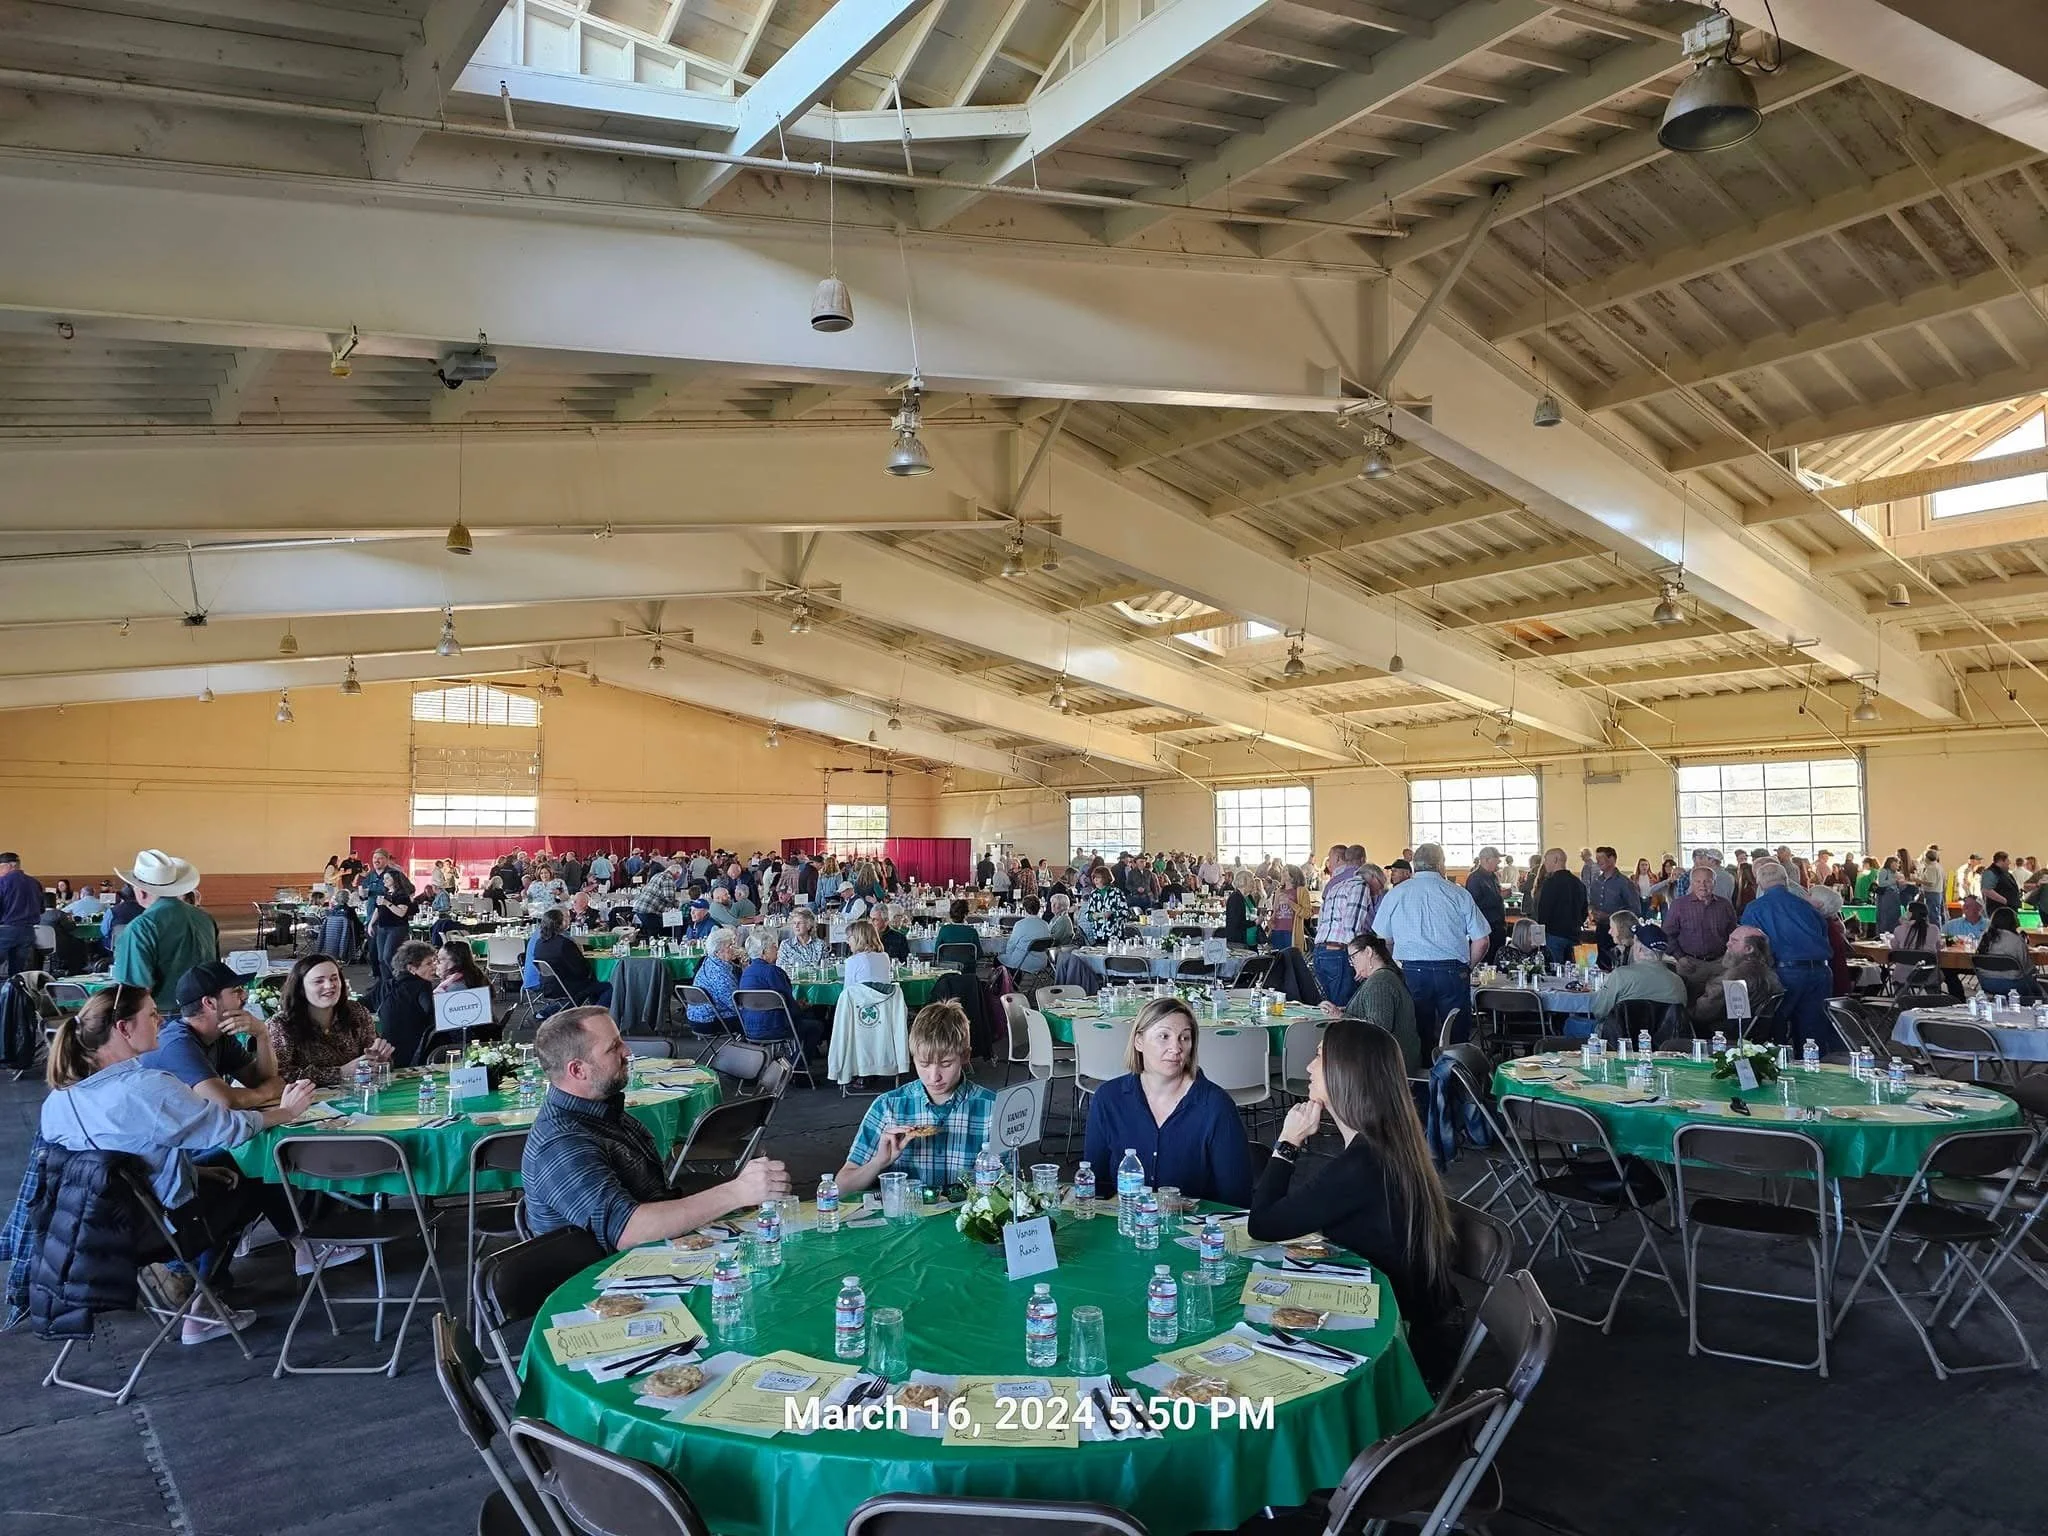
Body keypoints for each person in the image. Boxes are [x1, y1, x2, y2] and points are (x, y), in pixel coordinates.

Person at [42, 985, 322, 1342]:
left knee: (223, 1169)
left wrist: (198, 1170)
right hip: (157, 1227)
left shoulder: (59, 1100)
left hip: (88, 1231)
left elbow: (120, 1163)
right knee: (256, 1173)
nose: (162, 1021)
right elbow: (226, 1127)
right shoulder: (145, 1087)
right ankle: (204, 1308)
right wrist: (287, 1112)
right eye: (152, 1015)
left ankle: (295, 1252)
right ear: (124, 1028)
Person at [1249, 1019, 1461, 1387]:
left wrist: (1287, 1143)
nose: (1309, 1067)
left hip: (1394, 1348)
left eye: (1318, 1056)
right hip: (1406, 1313)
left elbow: (1262, 1225)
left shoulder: (1364, 1163)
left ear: (1345, 1073)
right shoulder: (1389, 1142)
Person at [521, 1006, 789, 1250]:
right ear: (578, 1070)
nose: (627, 1052)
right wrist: (735, 1192)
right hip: (603, 1282)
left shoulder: (602, 1111)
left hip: (650, 1256)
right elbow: (627, 1230)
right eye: (613, 1047)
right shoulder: (561, 1143)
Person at [1081, 997, 1253, 1207]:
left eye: (1185, 1038)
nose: (1176, 1047)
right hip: (1125, 1224)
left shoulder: (1216, 1106)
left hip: (1195, 1229)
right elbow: (1094, 1184)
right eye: (1164, 1036)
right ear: (1139, 1041)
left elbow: (1236, 1200)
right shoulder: (1108, 1098)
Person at [836, 1001, 995, 1196]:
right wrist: (879, 1162)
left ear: (965, 1056)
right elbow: (842, 1187)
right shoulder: (888, 1107)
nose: (934, 1076)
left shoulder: (992, 1109)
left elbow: (1009, 1188)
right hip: (907, 1221)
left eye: (946, 1064)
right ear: (913, 1058)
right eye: (924, 1064)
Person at [1370, 844, 1489, 1045]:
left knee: (1417, 1033)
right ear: (1441, 864)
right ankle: (1454, 1073)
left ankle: (1423, 1073)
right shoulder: (1458, 894)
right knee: (1455, 1034)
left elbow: (1383, 939)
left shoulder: (1397, 894)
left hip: (1412, 972)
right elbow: (1482, 940)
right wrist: (1468, 967)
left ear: (1414, 866)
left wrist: (1395, 966)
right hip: (1452, 971)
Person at [1742, 860, 1835, 1050]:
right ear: (1786, 880)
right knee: (1814, 1034)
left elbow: (1750, 945)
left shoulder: (1755, 908)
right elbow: (1824, 935)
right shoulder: (1808, 907)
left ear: (1759, 884)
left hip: (1784, 972)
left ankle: (1781, 1068)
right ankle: (1813, 1072)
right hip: (1821, 972)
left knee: (1775, 1027)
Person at [108, 850, 219, 997]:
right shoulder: (205, 918)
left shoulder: (141, 927)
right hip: (208, 1009)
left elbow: (136, 991)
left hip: (163, 1015)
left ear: (142, 892)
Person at [266, 954, 388, 1086]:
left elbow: (371, 1062)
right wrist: (340, 1073)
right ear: (301, 988)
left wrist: (378, 1060)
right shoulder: (282, 1024)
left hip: (355, 1096)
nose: (329, 985)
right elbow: (280, 1075)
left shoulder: (357, 1013)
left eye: (334, 979)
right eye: (319, 981)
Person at [1320, 933, 1421, 1070]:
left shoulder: (1380, 982)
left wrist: (1340, 1017)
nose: (1352, 964)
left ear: (1368, 952)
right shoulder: (1384, 977)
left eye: (1353, 957)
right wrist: (1342, 1010)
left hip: (1387, 1065)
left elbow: (1377, 1028)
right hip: (1394, 1059)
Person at [1588, 915, 1687, 1036]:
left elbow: (1599, 1011)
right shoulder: (1677, 982)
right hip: (1664, 1045)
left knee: (1576, 1025)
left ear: (1639, 948)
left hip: (1620, 1044)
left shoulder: (1620, 976)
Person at [737, 928, 822, 1059]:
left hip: (749, 1027)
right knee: (816, 1025)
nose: (776, 949)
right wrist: (801, 1006)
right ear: (764, 952)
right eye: (773, 946)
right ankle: (797, 1066)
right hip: (776, 1026)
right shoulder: (774, 972)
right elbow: (790, 1008)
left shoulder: (746, 972)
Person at [1688, 926, 1783, 1032]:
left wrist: (1683, 1010)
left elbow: (1703, 1012)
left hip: (1723, 1034)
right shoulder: (1767, 971)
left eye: (1734, 941)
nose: (1727, 944)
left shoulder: (1737, 977)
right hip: (1752, 1034)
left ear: (1749, 949)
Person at [1311, 846, 1369, 1008]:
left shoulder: (1334, 886)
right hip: (1339, 953)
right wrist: (1357, 961)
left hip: (1320, 951)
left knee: (1330, 1008)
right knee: (1344, 1010)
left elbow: (1321, 921)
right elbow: (1352, 927)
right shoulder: (1360, 886)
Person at [376, 940, 441, 1068]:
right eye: (428, 963)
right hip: (415, 1056)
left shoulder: (387, 985)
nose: (434, 967)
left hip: (388, 1055)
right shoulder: (422, 985)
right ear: (411, 968)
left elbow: (363, 1003)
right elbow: (433, 1016)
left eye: (434, 962)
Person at [530, 909, 611, 1010]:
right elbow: (581, 970)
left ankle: (553, 1011)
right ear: (561, 923)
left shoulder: (539, 942)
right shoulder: (564, 943)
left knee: (592, 986)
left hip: (547, 985)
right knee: (609, 987)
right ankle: (595, 1014)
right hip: (567, 987)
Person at [360, 848, 417, 987]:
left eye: (379, 858)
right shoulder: (371, 877)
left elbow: (402, 910)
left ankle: (399, 980)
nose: (376, 861)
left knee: (388, 956)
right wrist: (370, 923)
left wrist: (389, 903)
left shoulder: (399, 886)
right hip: (380, 924)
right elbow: (377, 908)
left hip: (396, 926)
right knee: (378, 956)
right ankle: (385, 983)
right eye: (374, 859)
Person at [1664, 865, 1736, 962]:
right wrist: (1680, 957)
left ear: (1714, 883)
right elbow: (1667, 934)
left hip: (1720, 963)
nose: (1703, 885)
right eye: (1698, 881)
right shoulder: (1678, 905)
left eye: (1707, 881)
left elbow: (1733, 933)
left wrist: (1730, 955)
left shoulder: (1724, 905)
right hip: (1689, 963)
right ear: (1691, 884)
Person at [1532, 847, 1587, 966]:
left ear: (1556, 860)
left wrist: (1539, 937)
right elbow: (1584, 911)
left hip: (1554, 935)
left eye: (1546, 860)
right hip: (1574, 935)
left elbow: (1544, 911)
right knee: (1573, 971)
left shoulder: (1550, 883)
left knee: (1555, 971)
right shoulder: (1578, 883)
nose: (1545, 863)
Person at [1976, 907, 2043, 1001]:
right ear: (2013, 921)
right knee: (2037, 983)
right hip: (2014, 985)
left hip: (1986, 982)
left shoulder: (1985, 937)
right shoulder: (2016, 940)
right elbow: (2025, 967)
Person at [685, 926, 743, 1031]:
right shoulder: (720, 974)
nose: (734, 948)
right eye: (730, 945)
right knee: (755, 1017)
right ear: (717, 952)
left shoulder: (709, 961)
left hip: (697, 1017)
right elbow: (735, 1005)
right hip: (708, 1021)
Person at [1806, 883, 1854, 997]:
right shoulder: (1829, 925)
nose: (1805, 897)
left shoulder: (1823, 928)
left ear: (1819, 904)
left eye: (1809, 894)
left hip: (1830, 986)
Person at [0, 850, 42, 978]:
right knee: (18, 974)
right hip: (28, 932)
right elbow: (41, 908)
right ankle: (14, 997)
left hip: (6, 930)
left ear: (9, 865)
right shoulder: (35, 883)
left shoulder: (2, 882)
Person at [1464, 846, 1508, 960]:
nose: (1499, 861)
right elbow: (1474, 904)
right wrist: (1499, 897)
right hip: (1485, 929)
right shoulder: (1475, 878)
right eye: (1496, 858)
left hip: (1498, 926)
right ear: (1485, 860)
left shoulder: (1493, 876)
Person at [1080, 866, 1134, 944]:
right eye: (1094, 877)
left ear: (1105, 878)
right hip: (1099, 934)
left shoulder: (1117, 893)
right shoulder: (1093, 894)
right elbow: (1088, 914)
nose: (1095, 880)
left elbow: (1125, 912)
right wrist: (1093, 916)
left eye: (1098, 877)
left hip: (1115, 934)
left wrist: (1112, 914)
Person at [1001, 895, 1054, 972]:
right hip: (1041, 962)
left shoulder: (1020, 924)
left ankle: (1008, 982)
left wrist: (1008, 955)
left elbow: (1011, 944)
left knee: (998, 959)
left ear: (1024, 909)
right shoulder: (1045, 924)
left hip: (1023, 962)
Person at [632, 858, 681, 939]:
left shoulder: (657, 875)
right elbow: (669, 898)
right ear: (677, 873)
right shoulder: (668, 878)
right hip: (649, 911)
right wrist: (677, 904)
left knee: (652, 932)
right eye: (679, 875)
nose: (679, 877)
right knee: (661, 931)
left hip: (640, 908)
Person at [842, 918, 894, 988]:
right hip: (884, 998)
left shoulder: (852, 961)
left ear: (858, 938)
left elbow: (847, 990)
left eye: (848, 938)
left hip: (861, 998)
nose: (847, 942)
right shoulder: (885, 957)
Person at [1981, 851, 2023, 916]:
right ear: (2000, 861)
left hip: (2009, 910)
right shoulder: (1990, 873)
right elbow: (1987, 890)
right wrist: (2006, 901)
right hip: (1998, 911)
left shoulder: (2006, 873)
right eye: (2007, 860)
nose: (2009, 862)